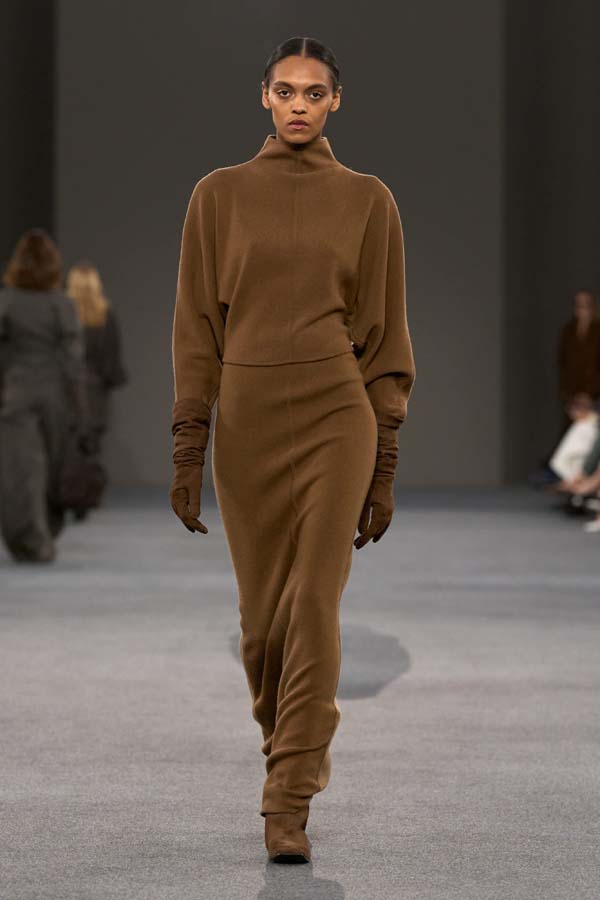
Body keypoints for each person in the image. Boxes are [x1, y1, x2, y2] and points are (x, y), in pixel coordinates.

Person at [169, 38, 416, 863]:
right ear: (264, 97)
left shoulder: (369, 200)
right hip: (245, 420)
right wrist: (189, 443)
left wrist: (384, 461)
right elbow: (196, 327)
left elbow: (384, 331)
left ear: (336, 101)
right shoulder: (218, 195)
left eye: (315, 92)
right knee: (261, 629)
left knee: (312, 607)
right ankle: (289, 752)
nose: (299, 104)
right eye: (286, 91)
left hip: (335, 414)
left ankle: (288, 801)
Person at [0, 228, 87, 562]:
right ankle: (43, 534)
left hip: (17, 391)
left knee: (20, 468)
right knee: (51, 464)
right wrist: (81, 407)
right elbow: (73, 358)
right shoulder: (61, 304)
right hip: (55, 394)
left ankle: (27, 538)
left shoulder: (7, 301)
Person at [65, 261, 128, 512]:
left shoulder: (65, 314)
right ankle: (88, 494)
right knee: (92, 445)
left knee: (70, 443)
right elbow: (111, 356)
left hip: (69, 390)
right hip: (96, 391)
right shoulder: (105, 315)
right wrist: (110, 379)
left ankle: (69, 493)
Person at [557, 290, 600, 432]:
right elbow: (563, 364)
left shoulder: (597, 331)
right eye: (579, 305)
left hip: (594, 399)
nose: (582, 310)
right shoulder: (568, 333)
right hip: (573, 398)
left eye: (586, 305)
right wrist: (570, 396)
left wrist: (589, 395)